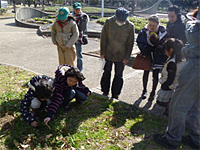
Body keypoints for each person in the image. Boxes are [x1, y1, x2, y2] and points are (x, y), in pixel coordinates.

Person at [153, 8, 200, 149]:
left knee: (178, 104)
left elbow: (194, 35)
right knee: (197, 105)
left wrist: (189, 23)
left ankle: (172, 139)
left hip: (196, 65)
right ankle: (196, 138)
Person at [100, 7, 135, 99]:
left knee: (118, 75)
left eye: (122, 20)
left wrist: (127, 57)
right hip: (108, 52)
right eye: (119, 19)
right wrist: (102, 53)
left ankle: (115, 94)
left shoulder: (130, 26)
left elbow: (130, 42)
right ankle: (105, 91)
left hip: (121, 55)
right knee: (106, 72)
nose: (120, 21)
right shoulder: (109, 22)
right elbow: (103, 38)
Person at [136, 15, 170, 101]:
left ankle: (153, 92)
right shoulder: (144, 31)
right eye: (150, 25)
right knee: (146, 73)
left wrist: (159, 49)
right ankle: (144, 90)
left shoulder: (164, 32)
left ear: (158, 24)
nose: (151, 27)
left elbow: (166, 44)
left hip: (158, 57)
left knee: (155, 75)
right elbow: (139, 42)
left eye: (154, 25)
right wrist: (146, 48)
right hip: (147, 56)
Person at [156, 38, 184, 111]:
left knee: (162, 105)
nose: (165, 52)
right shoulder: (183, 59)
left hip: (170, 90)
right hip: (178, 89)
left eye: (166, 50)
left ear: (171, 50)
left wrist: (164, 87)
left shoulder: (172, 63)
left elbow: (170, 78)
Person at [72, 2, 89, 71]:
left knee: (79, 55)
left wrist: (75, 21)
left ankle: (79, 70)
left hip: (79, 38)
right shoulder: (70, 16)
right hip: (71, 38)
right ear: (74, 9)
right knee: (71, 54)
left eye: (79, 9)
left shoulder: (84, 16)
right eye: (76, 9)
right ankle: (70, 68)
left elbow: (82, 28)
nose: (78, 11)